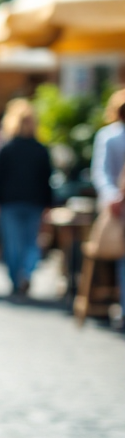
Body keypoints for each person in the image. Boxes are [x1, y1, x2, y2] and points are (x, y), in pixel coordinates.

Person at [0, 99, 53, 300]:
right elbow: (47, 180)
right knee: (30, 242)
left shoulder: (6, 147)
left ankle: (17, 277)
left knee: (13, 243)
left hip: (11, 202)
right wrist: (48, 204)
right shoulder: (40, 149)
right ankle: (26, 271)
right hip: (33, 202)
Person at [90, 88, 125, 295]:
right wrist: (113, 197)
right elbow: (101, 173)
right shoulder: (109, 136)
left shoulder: (108, 136)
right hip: (117, 209)